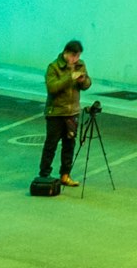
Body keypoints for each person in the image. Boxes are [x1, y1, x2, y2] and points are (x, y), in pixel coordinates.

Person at [37, 40, 90, 192]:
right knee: (51, 145)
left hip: (72, 112)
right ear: (66, 53)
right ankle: (44, 174)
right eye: (73, 56)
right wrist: (70, 78)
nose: (76, 59)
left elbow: (87, 84)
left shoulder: (81, 65)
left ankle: (65, 174)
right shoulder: (54, 67)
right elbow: (52, 88)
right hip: (56, 112)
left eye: (78, 56)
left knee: (69, 144)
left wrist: (83, 80)